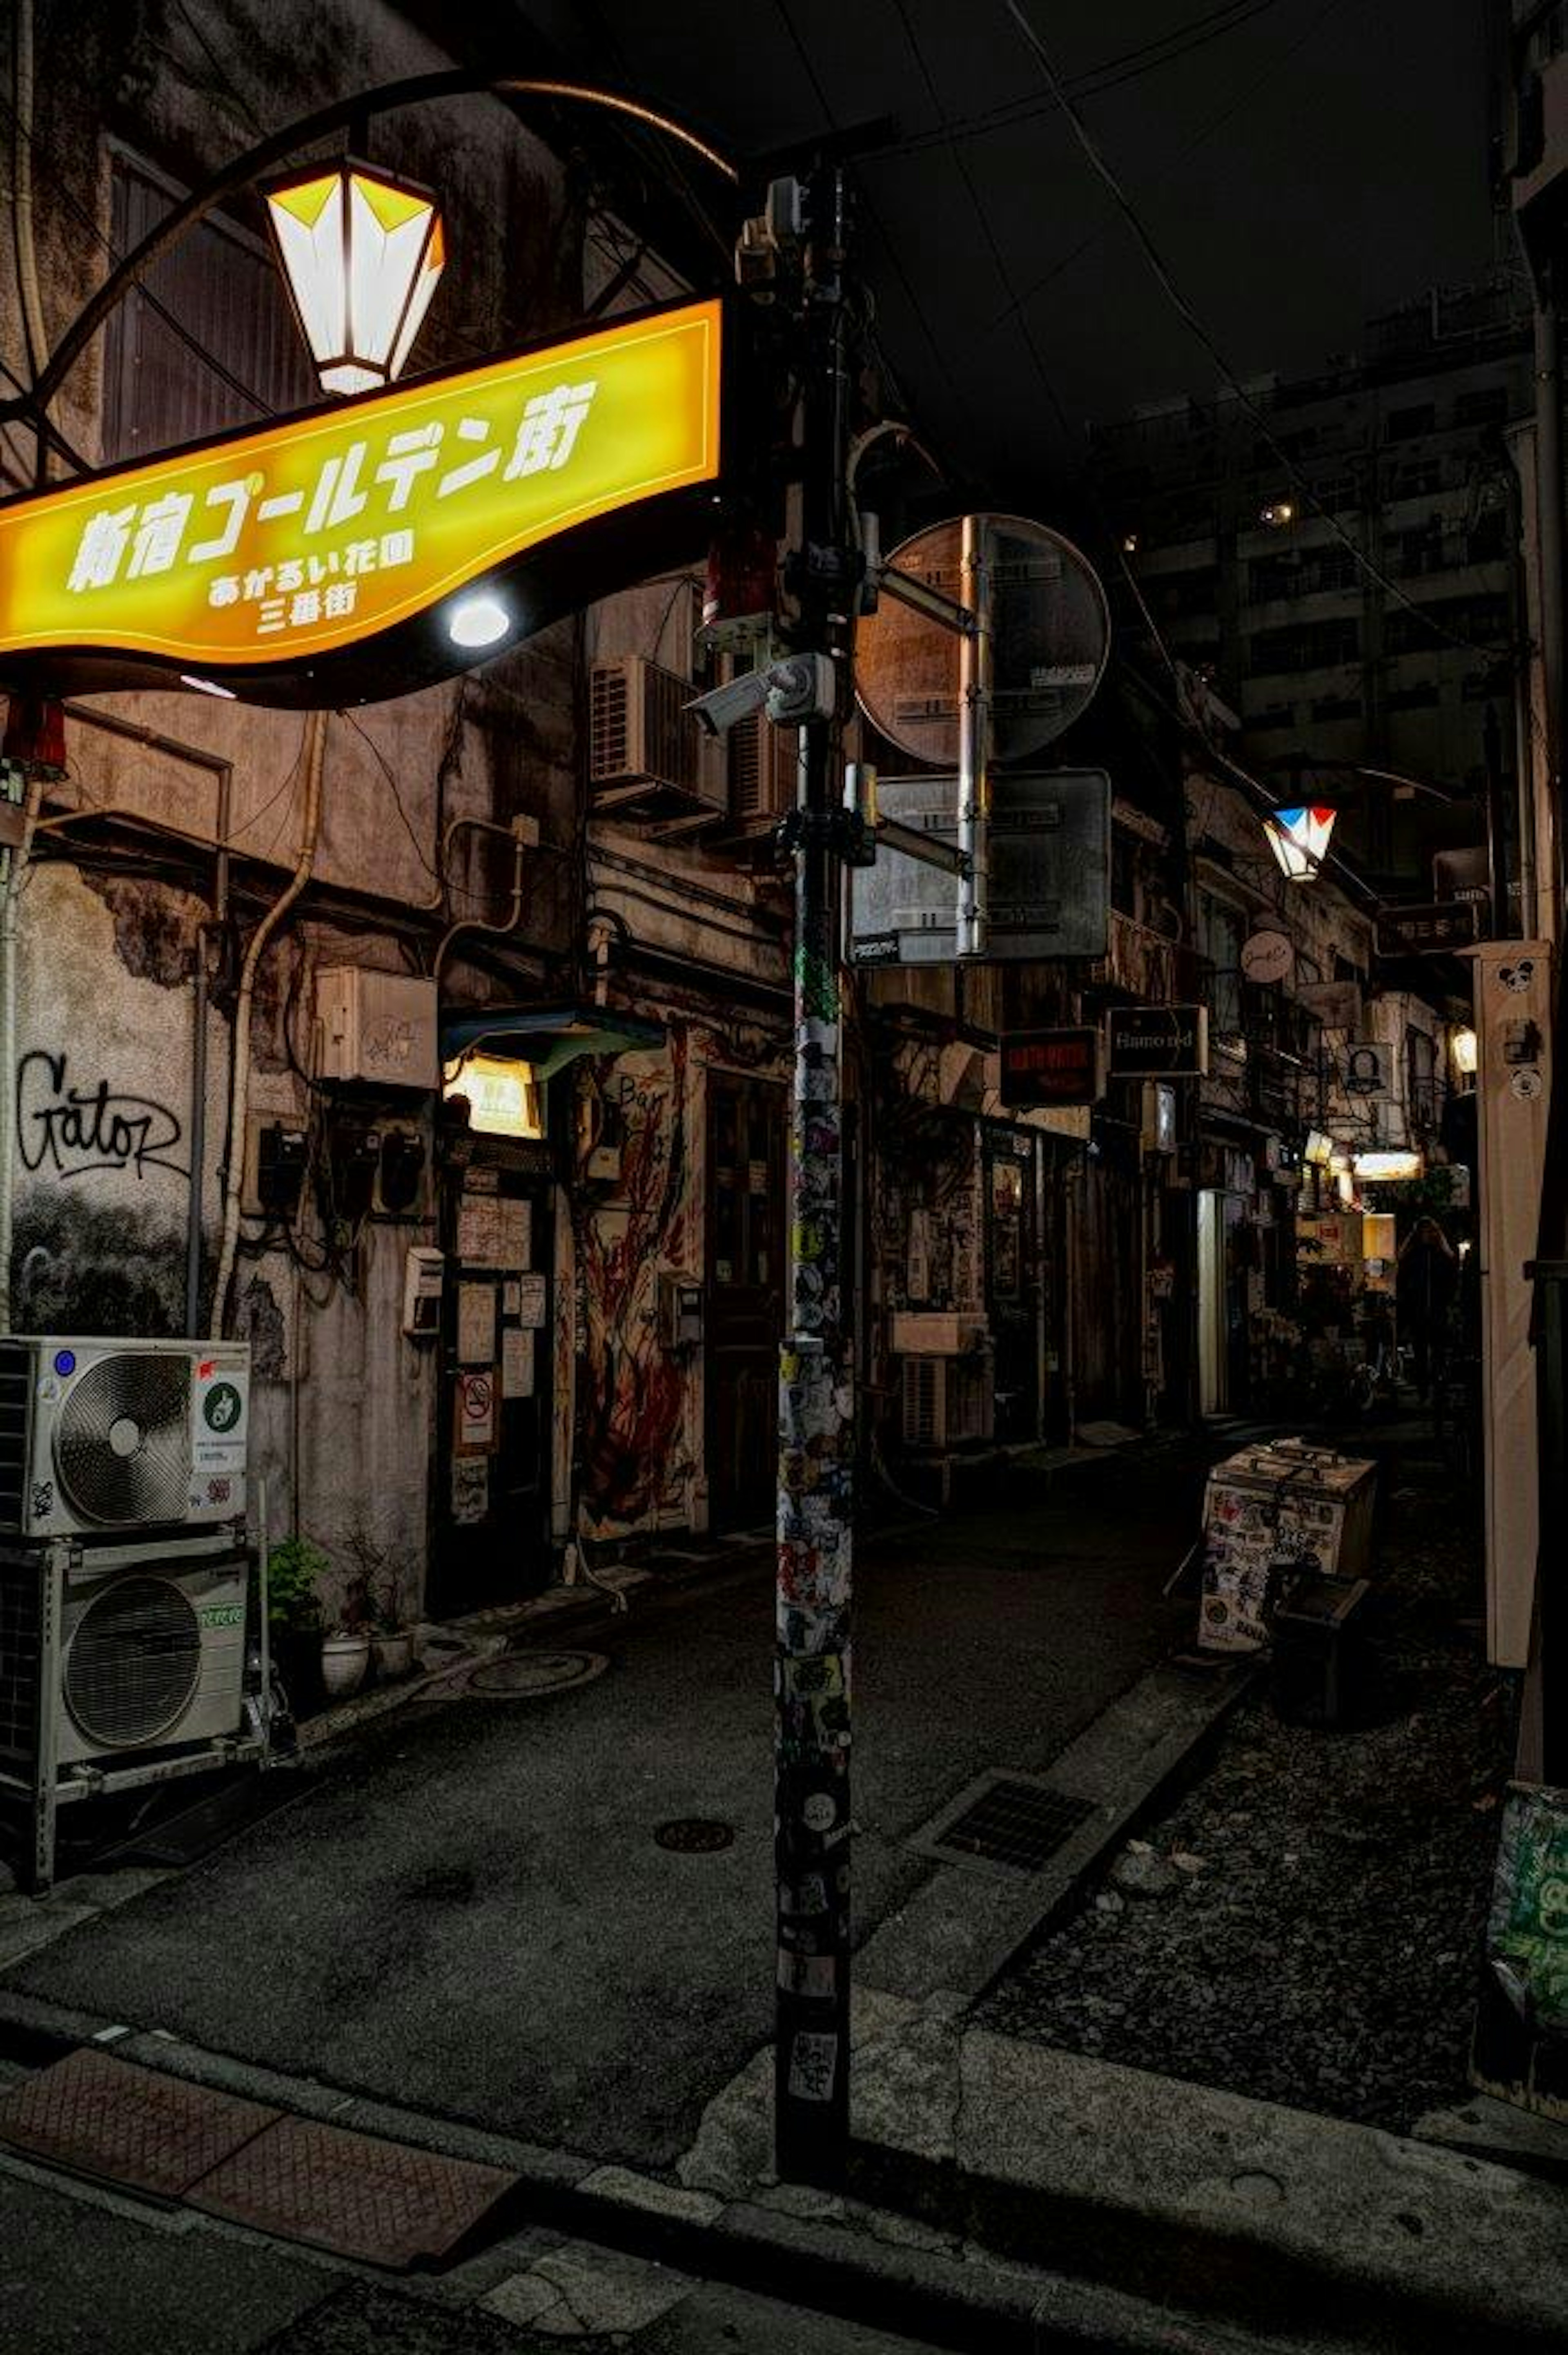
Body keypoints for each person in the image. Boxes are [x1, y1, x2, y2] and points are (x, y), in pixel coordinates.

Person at [1396, 1215, 1458, 1399]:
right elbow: (1402, 1271)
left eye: (1429, 1232)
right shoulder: (1415, 1255)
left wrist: (1448, 1300)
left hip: (1435, 1310)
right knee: (1422, 1353)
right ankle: (1425, 1389)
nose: (1427, 1235)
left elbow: (1451, 1275)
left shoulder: (1439, 1255)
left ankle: (1437, 1389)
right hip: (1420, 1311)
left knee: (1437, 1352)